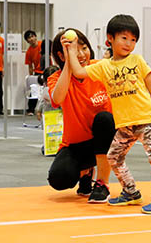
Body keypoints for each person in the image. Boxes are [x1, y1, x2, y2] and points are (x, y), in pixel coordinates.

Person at [70, 14, 151, 214]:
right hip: (125, 124)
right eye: (124, 38)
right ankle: (131, 192)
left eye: (133, 39)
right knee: (114, 157)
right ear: (110, 38)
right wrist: (71, 50)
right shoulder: (103, 66)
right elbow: (79, 72)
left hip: (146, 119)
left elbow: (150, 84)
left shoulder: (137, 60)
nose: (129, 43)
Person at [47, 28, 115, 203]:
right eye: (75, 50)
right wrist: (70, 63)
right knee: (59, 178)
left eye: (84, 48)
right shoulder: (56, 78)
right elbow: (57, 98)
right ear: (62, 56)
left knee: (104, 119)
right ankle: (85, 173)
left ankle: (102, 183)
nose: (82, 54)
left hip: (106, 139)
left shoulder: (99, 67)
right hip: (76, 145)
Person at [24, 30, 42, 116]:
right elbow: (30, 66)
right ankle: (30, 109)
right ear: (27, 41)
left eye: (32, 36)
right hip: (37, 72)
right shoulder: (29, 51)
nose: (31, 39)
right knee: (34, 90)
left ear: (35, 36)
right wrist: (31, 76)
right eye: (28, 38)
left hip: (48, 70)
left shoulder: (43, 44)